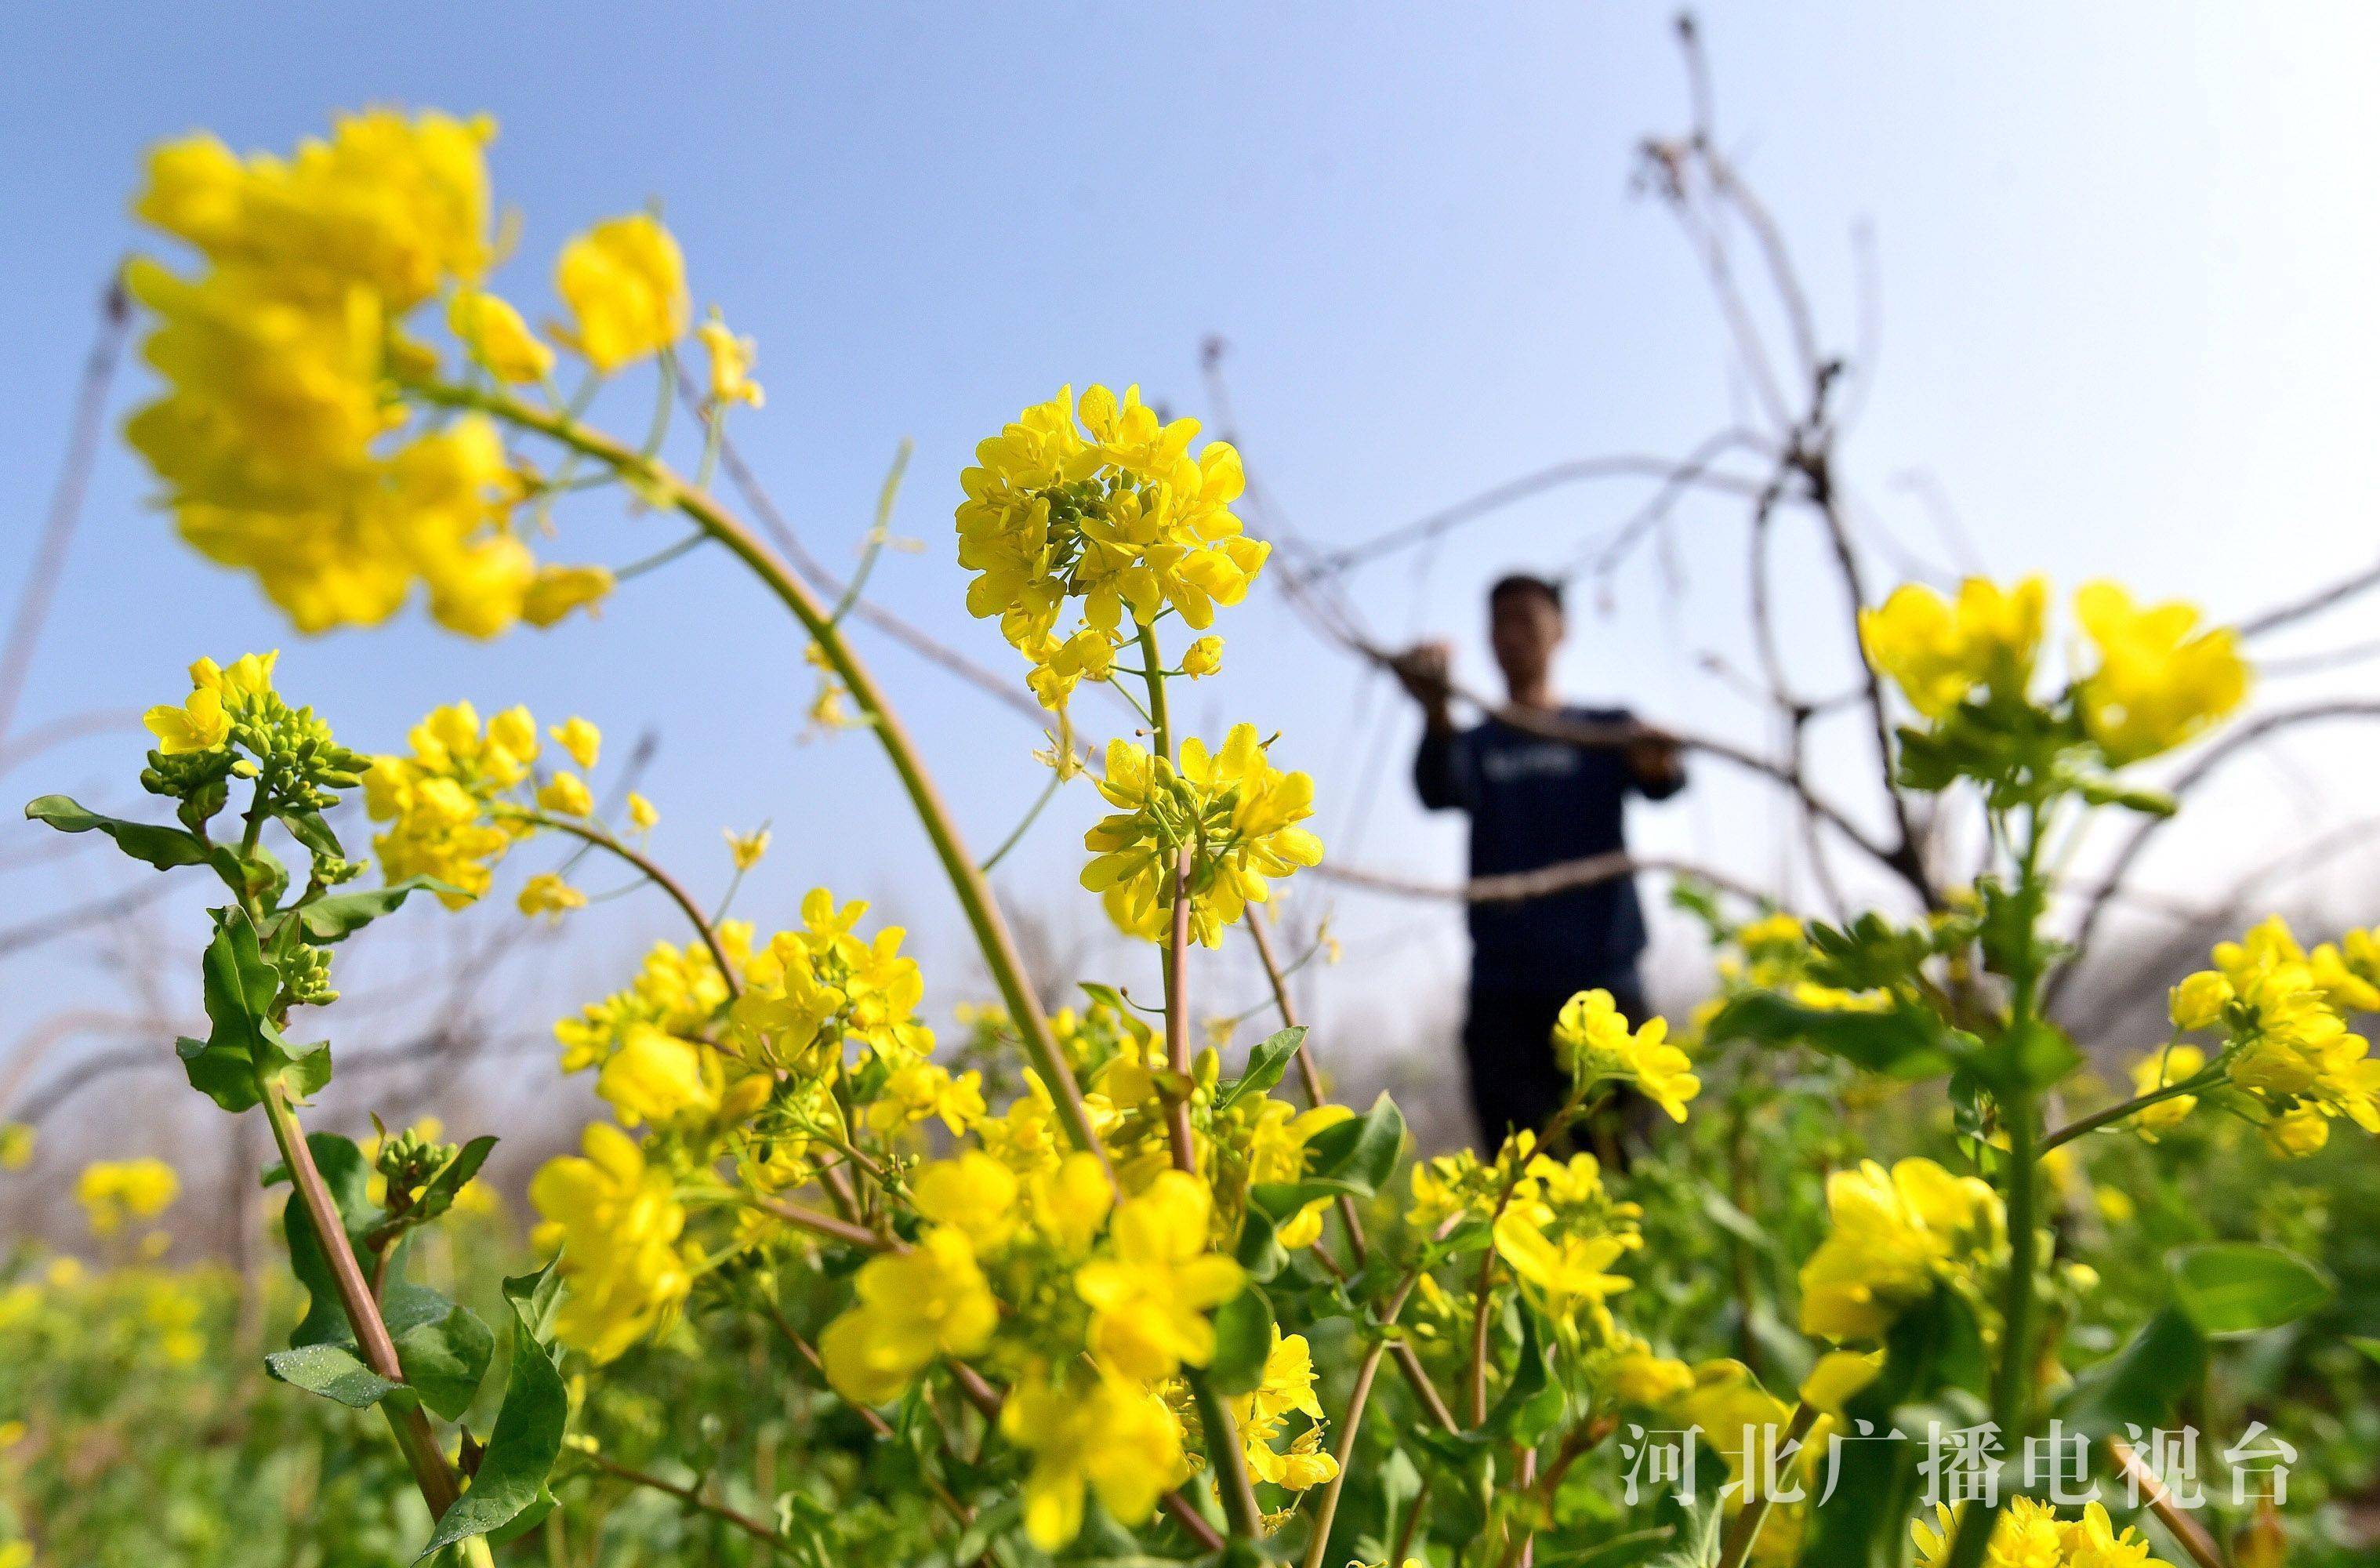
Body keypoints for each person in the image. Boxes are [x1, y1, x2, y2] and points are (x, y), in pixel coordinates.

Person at [1393, 572, 1686, 1149]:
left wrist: (1658, 760)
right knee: (1522, 1173)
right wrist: (1434, 712)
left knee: (1631, 1168)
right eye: (1498, 621)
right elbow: (1436, 789)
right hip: (1506, 998)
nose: (1510, 634)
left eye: (1525, 618)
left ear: (1560, 631)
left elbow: (1664, 780)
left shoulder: (1605, 732)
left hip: (1606, 988)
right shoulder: (1476, 744)